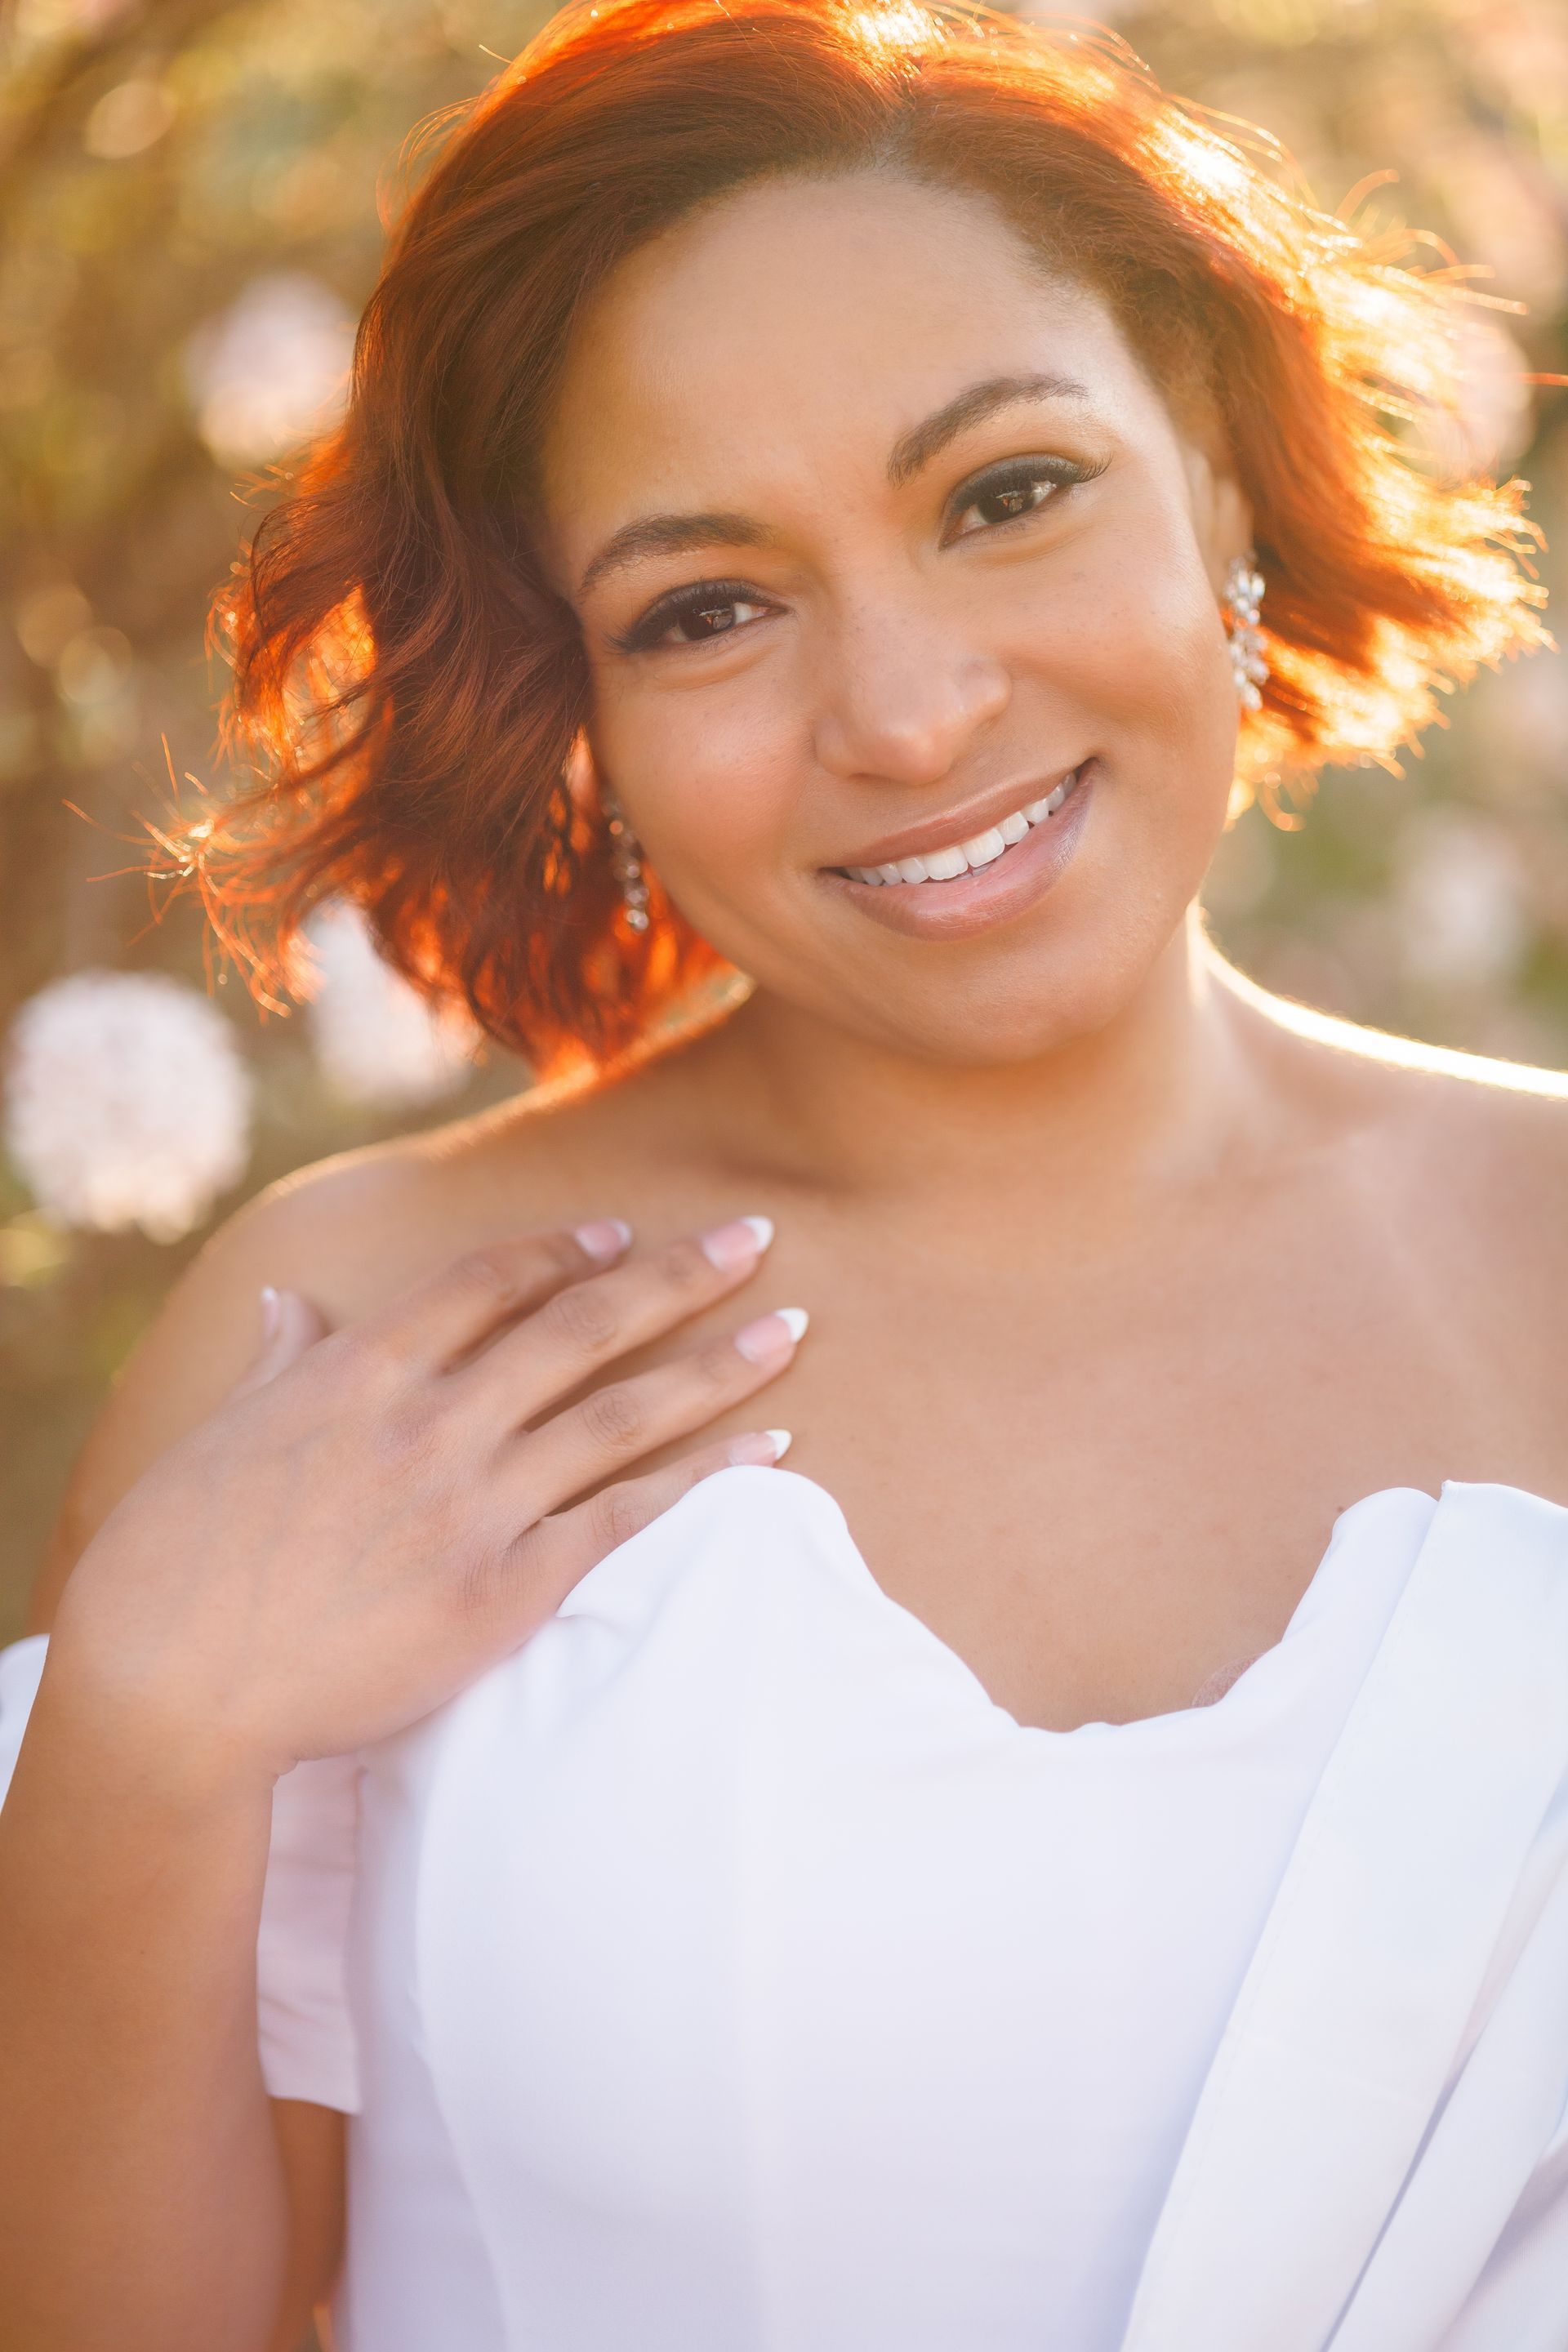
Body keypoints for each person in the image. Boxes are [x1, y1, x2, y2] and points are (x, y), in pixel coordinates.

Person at [2, 2, 1566, 2345]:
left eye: (1008, 492)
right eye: (707, 608)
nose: (911, 713)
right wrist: (133, 1739)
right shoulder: (365, 1331)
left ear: (1224, 481)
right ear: (582, 713)